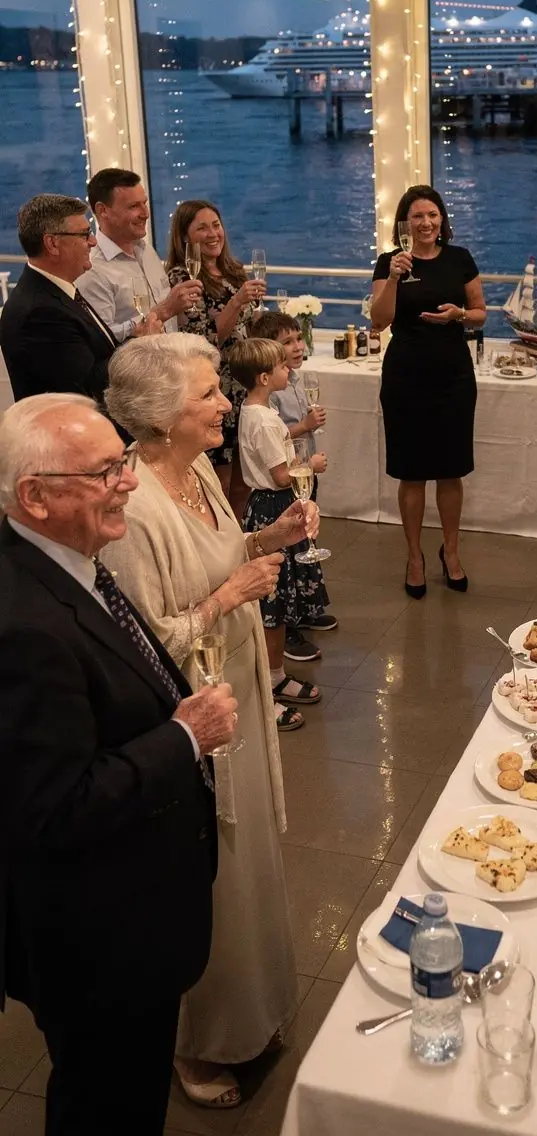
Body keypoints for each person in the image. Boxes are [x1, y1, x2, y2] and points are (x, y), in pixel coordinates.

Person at [0, 393, 237, 1135]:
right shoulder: (23, 627)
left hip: (130, 908)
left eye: (124, 460)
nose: (128, 483)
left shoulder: (75, 567)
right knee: (107, 1101)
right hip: (98, 939)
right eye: (105, 471)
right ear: (35, 497)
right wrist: (185, 738)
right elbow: (55, 807)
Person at [101, 333, 303, 1109]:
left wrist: (268, 539)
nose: (227, 402)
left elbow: (223, 557)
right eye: (209, 395)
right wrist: (231, 597)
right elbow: (137, 645)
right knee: (205, 881)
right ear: (159, 415)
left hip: (237, 692)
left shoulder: (194, 474)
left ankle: (252, 1013)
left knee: (246, 862)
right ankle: (199, 1042)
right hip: (190, 717)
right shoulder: (134, 504)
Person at [370, 184, 486, 597]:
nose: (426, 223)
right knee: (413, 471)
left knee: (451, 469)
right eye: (417, 216)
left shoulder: (460, 258)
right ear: (404, 224)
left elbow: (479, 314)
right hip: (405, 376)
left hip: (453, 375)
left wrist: (459, 316)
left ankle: (450, 552)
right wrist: (395, 280)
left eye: (432, 215)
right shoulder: (390, 262)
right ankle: (415, 556)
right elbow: (378, 321)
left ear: (442, 220)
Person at [231, 336, 329, 721]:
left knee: (278, 602)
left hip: (263, 505)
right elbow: (279, 474)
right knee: (275, 603)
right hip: (275, 508)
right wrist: (312, 466)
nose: (290, 369)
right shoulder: (267, 419)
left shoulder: (254, 411)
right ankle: (273, 677)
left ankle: (275, 673)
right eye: (283, 366)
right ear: (263, 376)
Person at [165, 199, 266, 505]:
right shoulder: (183, 278)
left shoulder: (233, 270)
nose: (212, 234)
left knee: (245, 481)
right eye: (202, 228)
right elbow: (204, 341)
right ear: (185, 237)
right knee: (218, 484)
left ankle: (240, 545)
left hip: (244, 387)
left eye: (216, 225)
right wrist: (236, 302)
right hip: (215, 388)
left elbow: (246, 326)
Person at [248, 307, 336, 654]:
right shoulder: (270, 396)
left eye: (299, 338)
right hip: (286, 482)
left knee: (303, 544)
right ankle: (285, 630)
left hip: (300, 476)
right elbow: (279, 437)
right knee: (286, 558)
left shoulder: (294, 380)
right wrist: (305, 428)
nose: (298, 347)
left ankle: (305, 610)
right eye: (289, 343)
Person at [0, 193, 120, 403]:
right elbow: (89, 388)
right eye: (84, 234)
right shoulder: (39, 313)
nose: (92, 242)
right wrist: (138, 345)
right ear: (52, 244)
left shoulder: (55, 290)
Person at [76, 167, 202, 339]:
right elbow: (102, 340)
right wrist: (165, 309)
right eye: (134, 206)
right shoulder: (92, 270)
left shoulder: (146, 250)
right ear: (102, 211)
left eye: (145, 203)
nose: (146, 214)